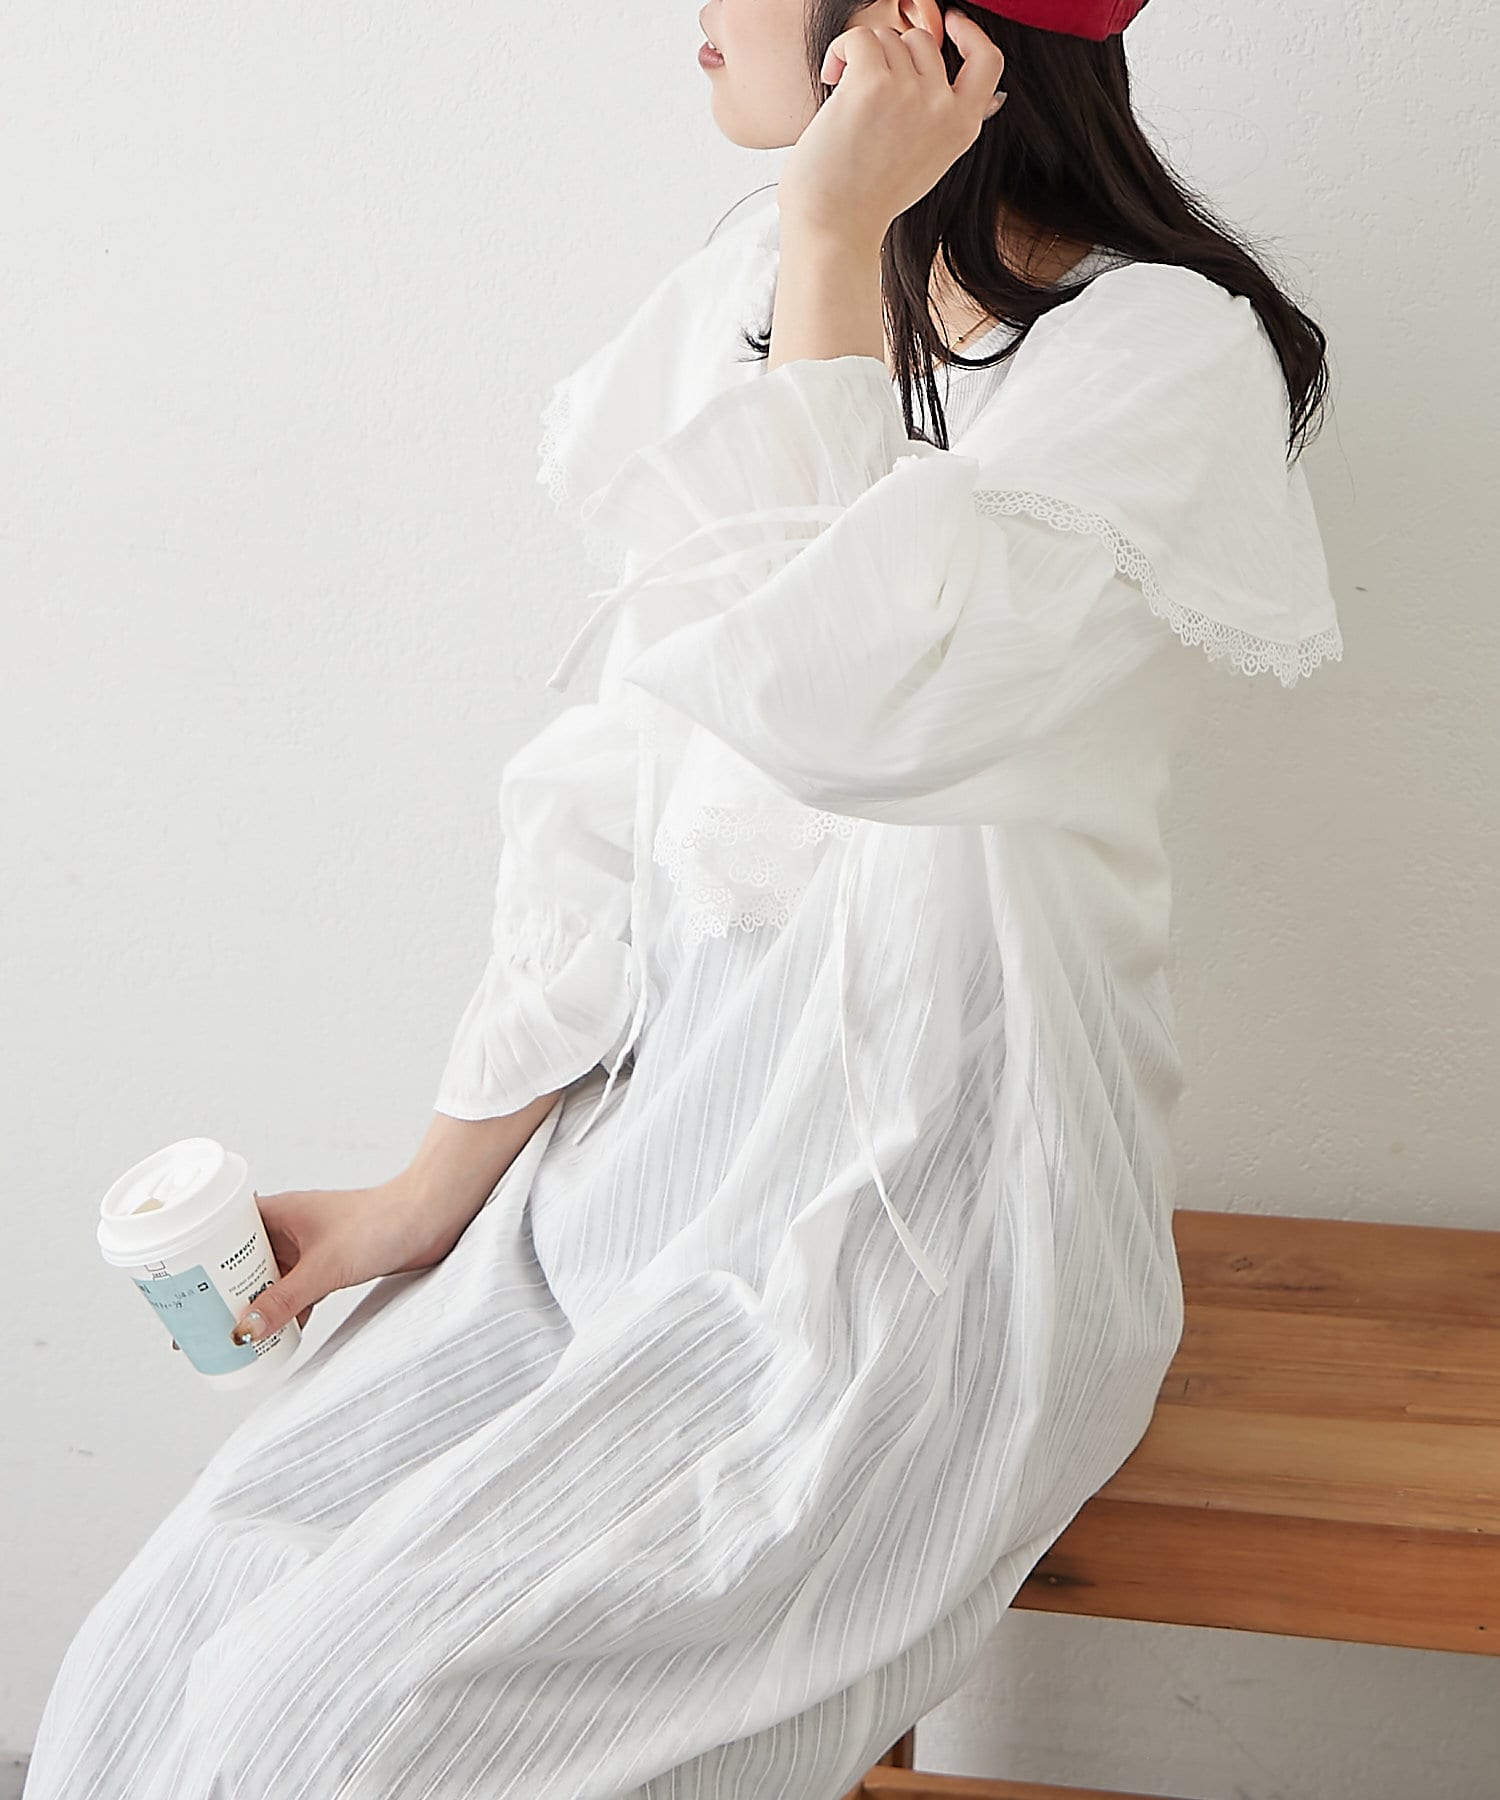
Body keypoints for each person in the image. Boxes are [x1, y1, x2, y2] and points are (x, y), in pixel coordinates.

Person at [26, 2, 1344, 1795]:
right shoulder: (746, 288)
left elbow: (839, 706)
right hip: (627, 1188)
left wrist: (833, 236)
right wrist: (428, 1192)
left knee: (334, 1731)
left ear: (911, 21)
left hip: (921, 1237)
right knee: (154, 1660)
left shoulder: (1160, 357)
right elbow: (611, 793)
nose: (698, 11)